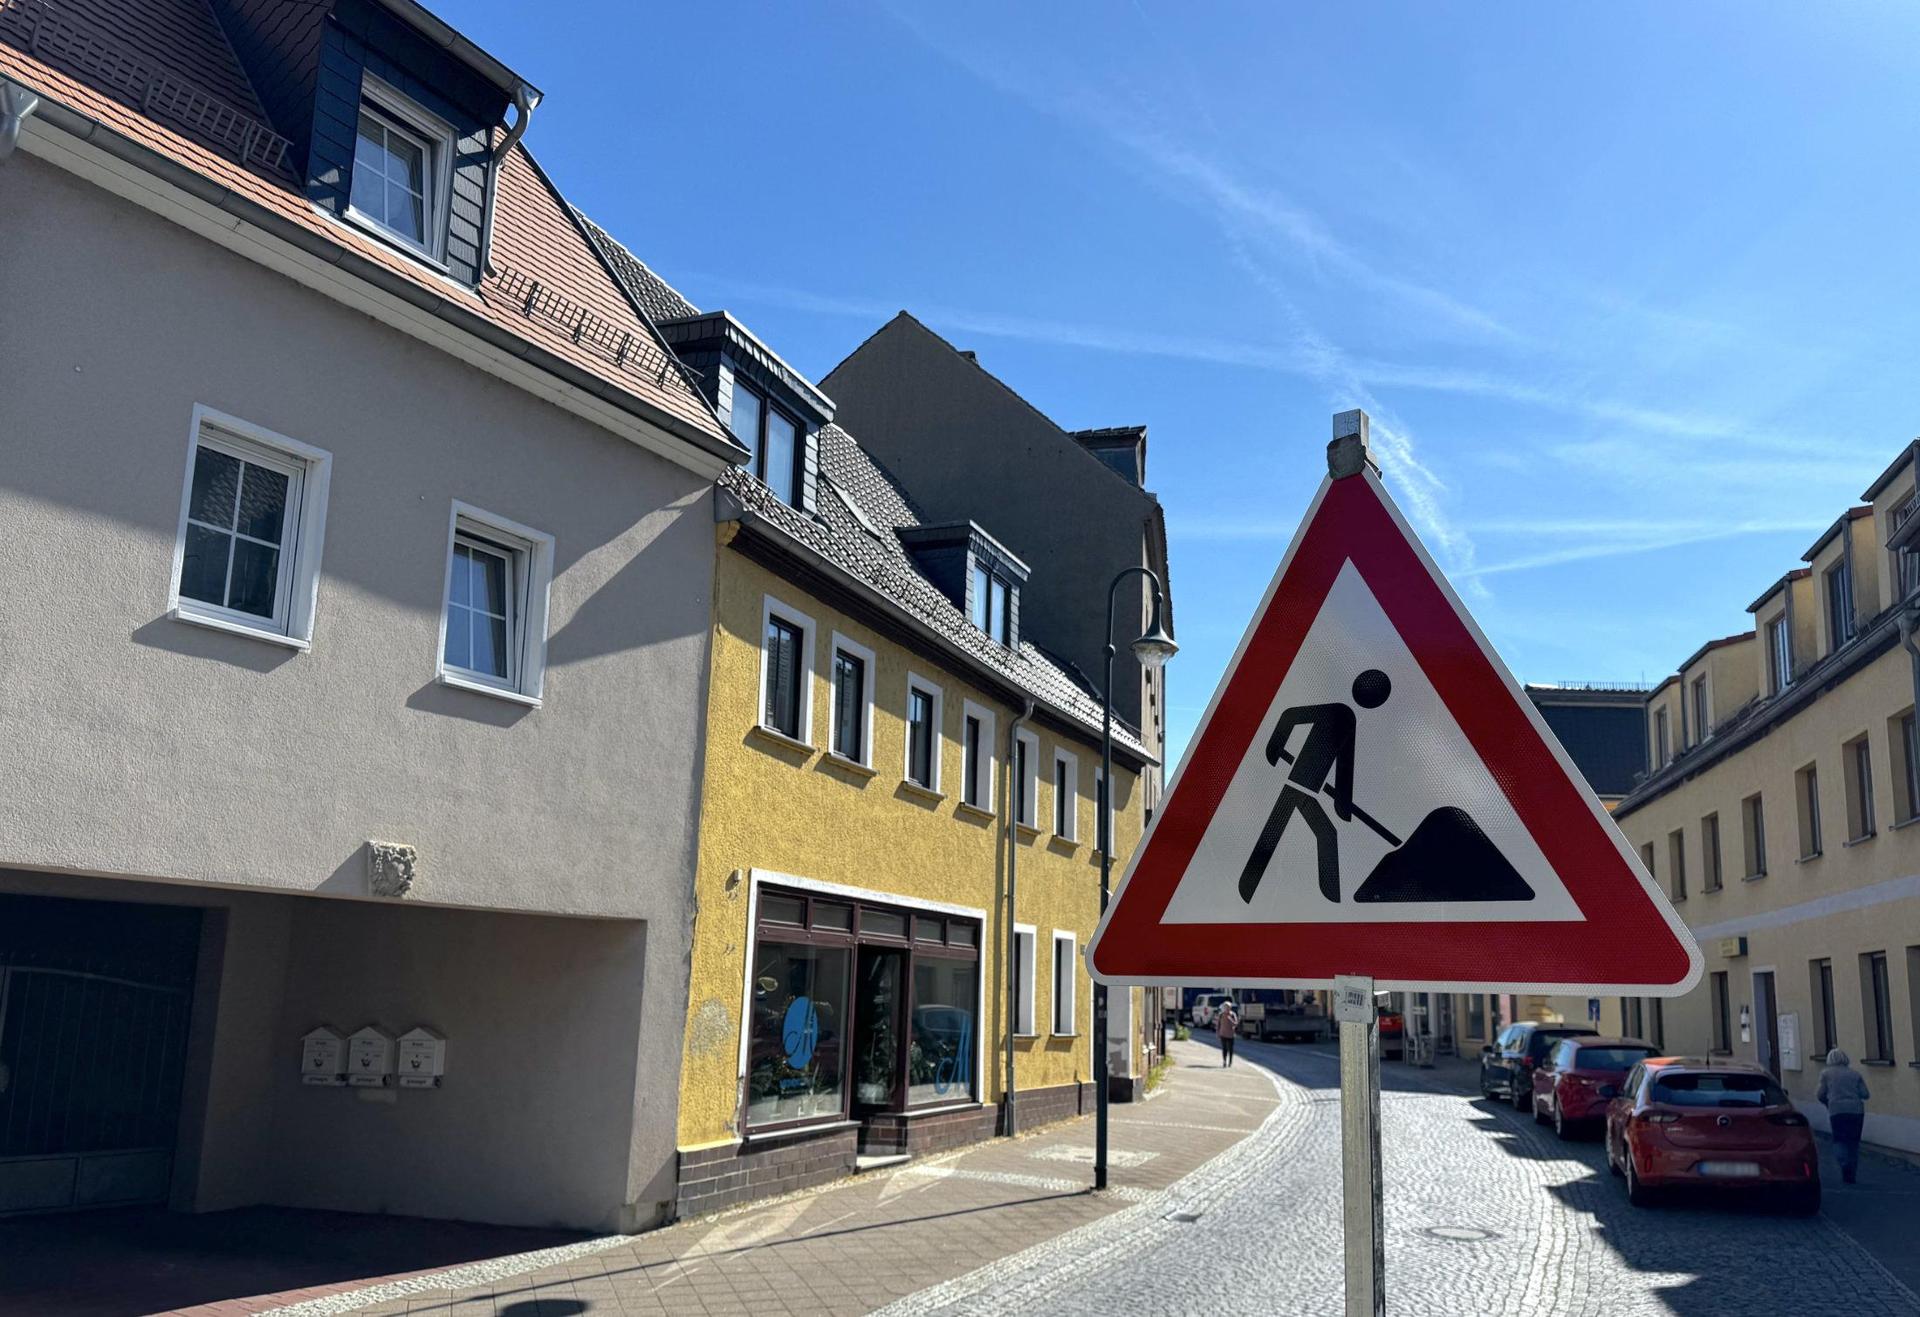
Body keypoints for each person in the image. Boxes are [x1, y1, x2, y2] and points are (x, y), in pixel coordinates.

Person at [1241, 670, 1392, 904]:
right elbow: (1291, 716)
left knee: (1285, 832)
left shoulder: (1345, 717)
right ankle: (1331, 900)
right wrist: (1274, 747)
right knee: (1315, 834)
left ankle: (1248, 887)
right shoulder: (1341, 714)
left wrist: (1342, 805)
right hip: (1298, 786)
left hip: (1305, 790)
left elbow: (1344, 766)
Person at [1818, 1048, 1871, 1183]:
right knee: (1853, 1141)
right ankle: (1851, 1173)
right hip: (1856, 1110)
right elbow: (1865, 1094)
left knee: (1840, 1139)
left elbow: (1820, 1094)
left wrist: (1827, 1103)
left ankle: (1844, 1163)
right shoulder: (1855, 1074)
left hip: (1837, 1110)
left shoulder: (1826, 1074)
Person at [1216, 999, 1239, 1068]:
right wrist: (1217, 1032)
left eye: (1228, 1007)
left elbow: (1236, 1024)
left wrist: (1230, 1019)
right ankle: (1224, 1061)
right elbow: (1218, 1024)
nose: (1227, 1008)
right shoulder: (1221, 1015)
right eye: (1225, 1007)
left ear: (1230, 1008)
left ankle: (1230, 1062)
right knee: (1224, 1048)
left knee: (1230, 1049)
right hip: (1223, 1034)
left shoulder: (1232, 1014)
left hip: (1231, 1035)